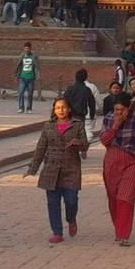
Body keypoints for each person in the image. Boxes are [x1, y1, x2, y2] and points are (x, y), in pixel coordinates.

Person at [25, 96, 89, 243]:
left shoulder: (77, 125)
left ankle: (71, 218)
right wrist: (32, 168)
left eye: (64, 107)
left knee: (71, 200)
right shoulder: (48, 126)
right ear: (54, 110)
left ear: (69, 109)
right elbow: (41, 147)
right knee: (53, 202)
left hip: (71, 168)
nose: (61, 110)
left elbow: (85, 145)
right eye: (58, 108)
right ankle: (57, 231)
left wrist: (77, 143)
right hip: (51, 168)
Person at [100, 93, 135, 245]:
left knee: (125, 198)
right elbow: (104, 140)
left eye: (122, 110)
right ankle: (118, 227)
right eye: (116, 109)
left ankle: (123, 234)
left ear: (129, 109)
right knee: (113, 197)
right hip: (112, 162)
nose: (119, 113)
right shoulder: (109, 118)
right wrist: (116, 125)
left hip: (132, 162)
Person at [14, 43, 41, 112]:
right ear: (24, 49)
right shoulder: (22, 55)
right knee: (21, 93)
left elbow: (37, 67)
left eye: (28, 48)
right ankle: (21, 108)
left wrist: (38, 75)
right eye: (25, 48)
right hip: (22, 77)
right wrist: (16, 75)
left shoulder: (34, 56)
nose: (26, 50)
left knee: (30, 94)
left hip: (31, 78)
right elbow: (18, 66)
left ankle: (29, 108)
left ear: (30, 49)